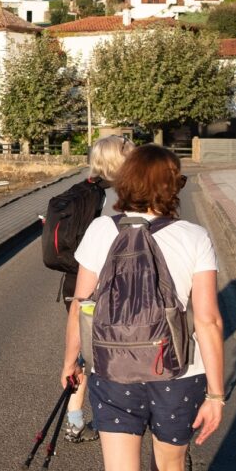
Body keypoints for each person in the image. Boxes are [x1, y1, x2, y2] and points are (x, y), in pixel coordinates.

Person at [61, 145, 226, 471]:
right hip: (179, 374)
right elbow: (208, 321)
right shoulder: (194, 237)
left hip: (113, 370)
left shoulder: (101, 232)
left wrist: (72, 361)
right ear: (172, 185)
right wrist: (218, 392)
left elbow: (82, 306)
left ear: (125, 182)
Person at [61, 135, 131, 443]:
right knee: (105, 357)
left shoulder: (88, 192)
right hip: (111, 287)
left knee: (83, 354)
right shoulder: (124, 196)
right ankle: (112, 420)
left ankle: (74, 419)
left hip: (78, 279)